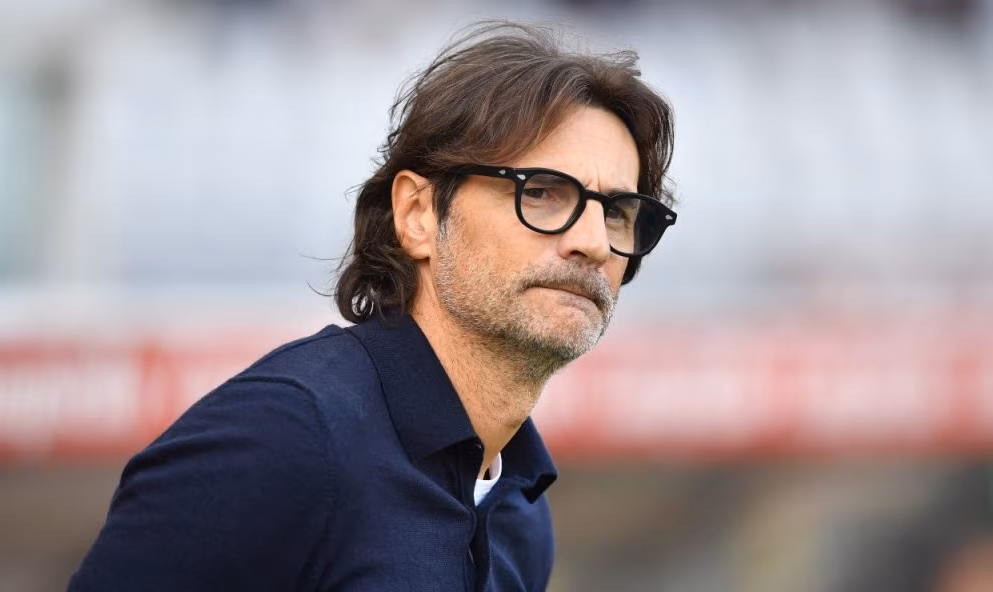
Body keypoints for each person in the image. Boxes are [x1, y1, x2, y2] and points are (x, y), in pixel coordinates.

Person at [69, 20, 677, 592]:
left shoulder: (520, 512)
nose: (594, 242)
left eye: (618, 212)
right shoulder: (283, 437)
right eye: (541, 192)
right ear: (417, 215)